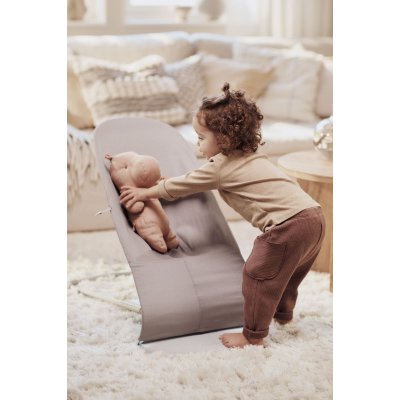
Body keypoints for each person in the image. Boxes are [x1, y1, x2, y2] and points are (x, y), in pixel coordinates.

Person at [119, 83, 326, 349]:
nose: (198, 145)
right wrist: (169, 184)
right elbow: (191, 181)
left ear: (224, 140)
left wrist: (145, 192)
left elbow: (186, 184)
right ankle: (282, 315)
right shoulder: (252, 156)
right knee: (287, 273)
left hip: (288, 226)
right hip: (314, 217)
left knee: (257, 275)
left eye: (201, 138)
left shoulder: (220, 166)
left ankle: (253, 336)